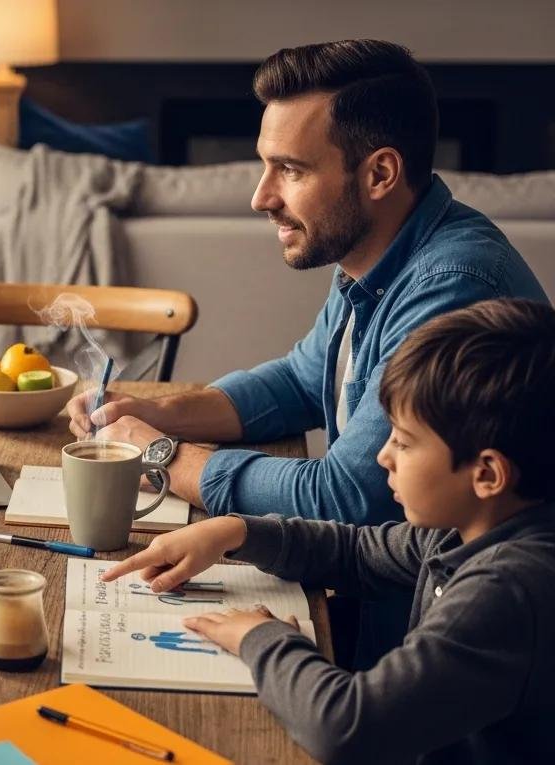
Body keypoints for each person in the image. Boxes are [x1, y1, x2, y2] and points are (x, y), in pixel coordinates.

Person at [67, 40, 548, 666]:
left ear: (380, 174)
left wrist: (163, 455)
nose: (261, 197)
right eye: (265, 166)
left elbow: (344, 500)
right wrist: (159, 413)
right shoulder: (377, 249)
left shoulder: (449, 287)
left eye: (290, 170)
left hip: (411, 649)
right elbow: (301, 378)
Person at [103, 299, 555, 764]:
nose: (383, 456)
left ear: (487, 475)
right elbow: (357, 552)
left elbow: (346, 726)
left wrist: (263, 637)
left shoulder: (506, 589)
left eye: (404, 442)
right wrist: (236, 532)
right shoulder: (471, 527)